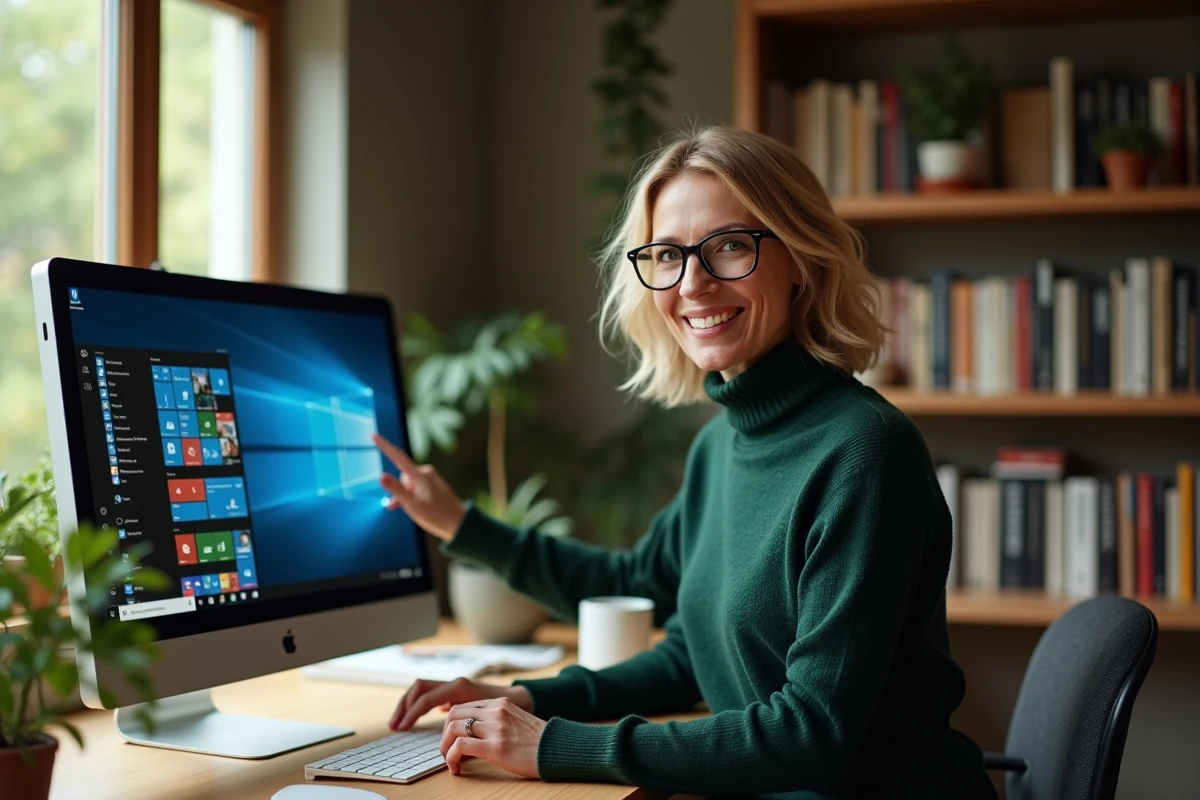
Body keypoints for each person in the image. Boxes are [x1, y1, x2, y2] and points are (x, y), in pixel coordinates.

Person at [373, 125, 998, 799]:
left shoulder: (865, 453)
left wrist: (554, 745)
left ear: (801, 259)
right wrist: (529, 698)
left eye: (729, 246)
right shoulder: (720, 446)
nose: (692, 283)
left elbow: (809, 732)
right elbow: (683, 639)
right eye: (667, 255)